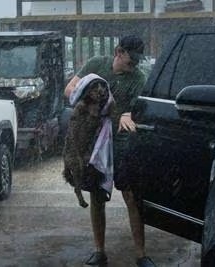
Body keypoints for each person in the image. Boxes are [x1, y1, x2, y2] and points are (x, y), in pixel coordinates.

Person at [64, 35, 156, 267]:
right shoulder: (96, 65)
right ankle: (99, 251)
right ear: (118, 52)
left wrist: (128, 113)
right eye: (130, 59)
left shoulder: (138, 78)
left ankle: (141, 254)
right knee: (97, 196)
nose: (133, 64)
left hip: (123, 144)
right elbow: (69, 90)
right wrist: (92, 99)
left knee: (132, 197)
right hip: (94, 143)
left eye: (137, 59)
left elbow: (139, 108)